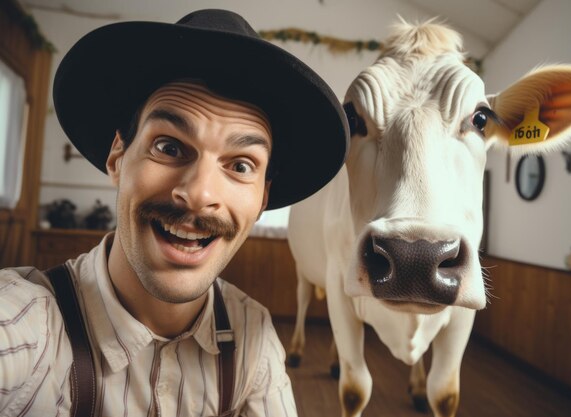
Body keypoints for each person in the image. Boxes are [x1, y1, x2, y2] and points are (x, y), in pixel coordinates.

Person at [0, 9, 348, 417]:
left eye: (240, 166)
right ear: (117, 157)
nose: (200, 194)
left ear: (261, 200)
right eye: (168, 147)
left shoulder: (252, 334)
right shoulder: (29, 323)